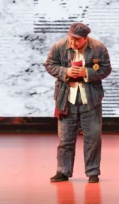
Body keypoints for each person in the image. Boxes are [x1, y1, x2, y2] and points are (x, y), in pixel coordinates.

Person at [45, 23, 112, 183]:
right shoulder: (59, 46)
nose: (73, 42)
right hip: (66, 99)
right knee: (65, 139)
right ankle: (63, 171)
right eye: (71, 38)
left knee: (93, 138)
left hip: (91, 99)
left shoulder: (98, 48)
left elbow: (106, 69)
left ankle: (93, 172)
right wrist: (66, 72)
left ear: (85, 39)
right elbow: (49, 65)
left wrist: (87, 72)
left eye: (77, 40)